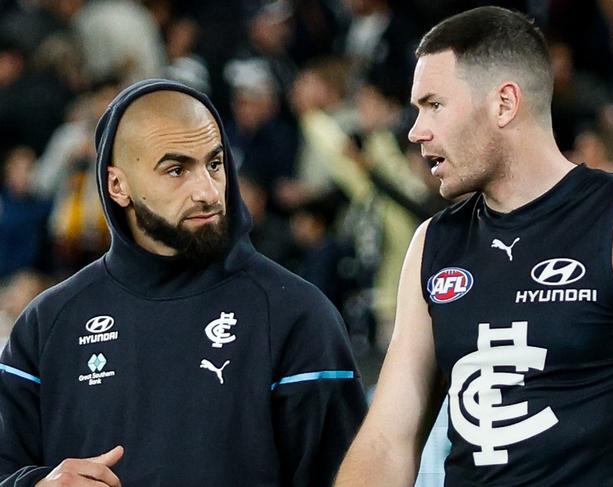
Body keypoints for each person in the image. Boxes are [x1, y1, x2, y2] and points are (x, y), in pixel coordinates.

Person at [335, 6, 613, 486]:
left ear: (504, 103)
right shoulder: (433, 244)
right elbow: (387, 439)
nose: (416, 130)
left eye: (434, 105)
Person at [0, 79, 367, 487]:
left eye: (214, 164)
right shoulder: (48, 324)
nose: (208, 191)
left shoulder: (298, 316)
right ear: (117, 185)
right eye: (176, 170)